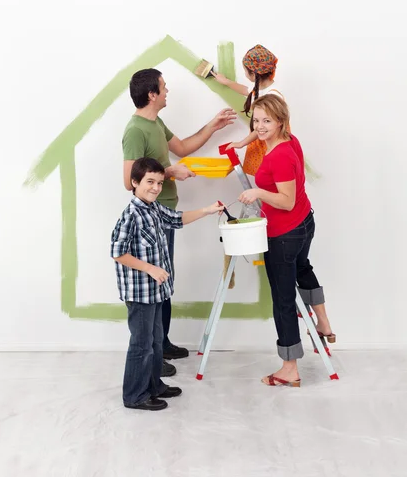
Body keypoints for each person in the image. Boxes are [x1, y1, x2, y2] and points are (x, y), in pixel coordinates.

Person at [122, 68, 237, 377]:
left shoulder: (155, 122)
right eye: (163, 87)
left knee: (166, 281)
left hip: (167, 211)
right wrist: (171, 173)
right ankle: (155, 354)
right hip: (151, 218)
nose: (167, 90)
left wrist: (213, 126)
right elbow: (128, 181)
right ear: (152, 94)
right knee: (156, 282)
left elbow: (183, 148)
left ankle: (164, 342)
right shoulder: (135, 130)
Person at [237, 94, 335, 387]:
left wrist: (258, 193)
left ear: (281, 121)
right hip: (305, 223)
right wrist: (244, 141)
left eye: (267, 121)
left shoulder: (279, 155)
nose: (260, 126)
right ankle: (324, 324)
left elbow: (287, 200)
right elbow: (260, 130)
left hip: (284, 234)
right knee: (303, 268)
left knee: (282, 300)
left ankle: (289, 368)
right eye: (256, 120)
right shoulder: (290, 140)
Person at [111, 157, 224, 410]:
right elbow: (118, 252)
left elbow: (176, 219)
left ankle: (154, 386)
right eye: (150, 182)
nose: (155, 188)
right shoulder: (131, 215)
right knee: (141, 344)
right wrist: (150, 268)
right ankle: (134, 396)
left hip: (156, 292)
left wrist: (206, 210)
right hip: (140, 293)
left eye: (160, 183)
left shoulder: (153, 208)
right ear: (135, 182)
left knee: (155, 340)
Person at [214, 44, 284, 176]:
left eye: (245, 71)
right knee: (265, 181)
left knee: (272, 180)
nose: (245, 74)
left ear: (253, 73)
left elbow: (263, 128)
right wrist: (227, 82)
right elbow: (247, 91)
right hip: (267, 143)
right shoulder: (262, 89)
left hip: (273, 146)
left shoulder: (272, 96)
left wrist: (241, 143)